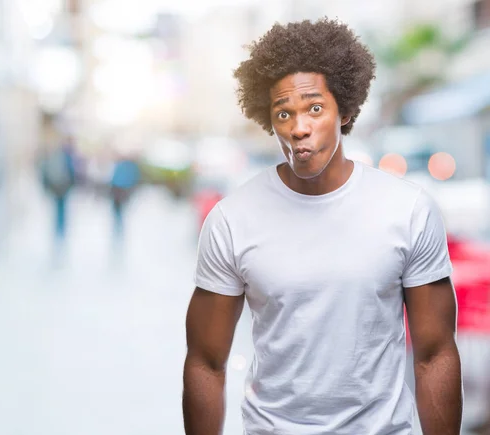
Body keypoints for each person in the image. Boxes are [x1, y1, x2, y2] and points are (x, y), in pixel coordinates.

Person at [183, 18, 462, 435]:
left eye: (315, 108)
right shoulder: (232, 219)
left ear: (344, 109)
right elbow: (206, 360)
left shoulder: (408, 210)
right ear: (269, 120)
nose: (299, 128)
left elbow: (435, 352)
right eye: (284, 113)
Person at [41, 136, 77, 247]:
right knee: (62, 208)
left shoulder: (53, 155)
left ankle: (58, 229)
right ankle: (61, 230)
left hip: (55, 187)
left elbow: (45, 170)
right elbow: (71, 172)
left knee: (58, 207)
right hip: (63, 187)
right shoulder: (66, 157)